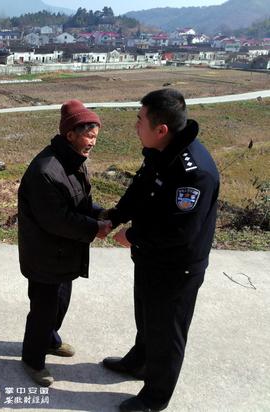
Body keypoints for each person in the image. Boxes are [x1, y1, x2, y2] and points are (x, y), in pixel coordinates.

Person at [101, 89, 220, 411]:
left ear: (161, 129)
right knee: (147, 315)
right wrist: (114, 217)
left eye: (140, 120)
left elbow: (180, 231)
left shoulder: (193, 173)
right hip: (153, 258)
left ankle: (155, 398)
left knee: (167, 332)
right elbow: (141, 188)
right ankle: (139, 361)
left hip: (176, 266)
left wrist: (134, 235)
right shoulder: (161, 152)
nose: (135, 126)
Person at [18, 99, 112, 387]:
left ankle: (49, 338)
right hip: (45, 254)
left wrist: (100, 214)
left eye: (95, 136)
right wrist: (96, 228)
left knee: (60, 302)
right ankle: (33, 359)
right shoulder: (46, 171)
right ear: (70, 133)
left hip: (64, 252)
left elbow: (79, 201)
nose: (92, 142)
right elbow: (57, 219)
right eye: (89, 136)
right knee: (43, 308)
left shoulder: (74, 160)